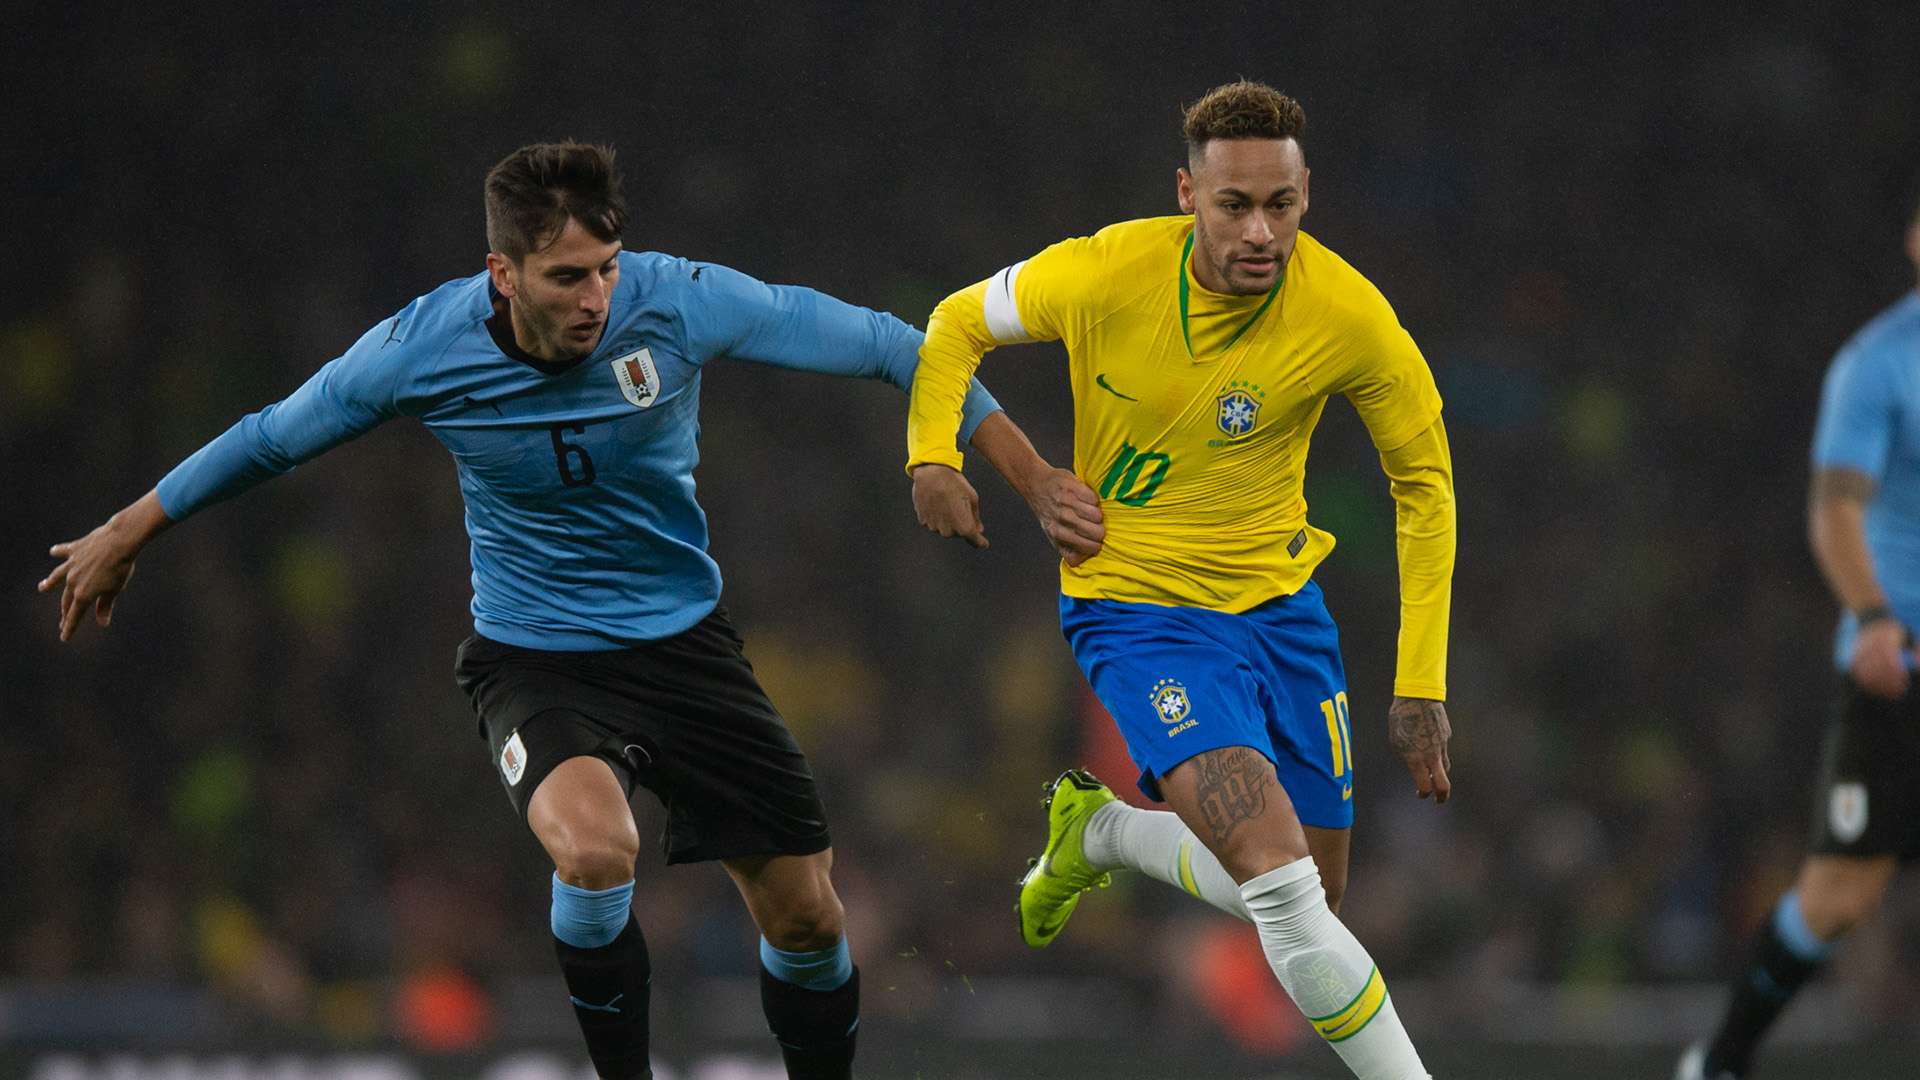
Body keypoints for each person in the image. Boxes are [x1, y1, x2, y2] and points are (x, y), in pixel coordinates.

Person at [38, 142, 1085, 1080]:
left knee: (809, 919)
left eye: (606, 269)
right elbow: (272, 435)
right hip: (535, 660)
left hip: (686, 650)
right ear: (504, 276)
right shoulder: (419, 350)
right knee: (594, 850)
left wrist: (1019, 478)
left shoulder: (677, 303)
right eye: (567, 277)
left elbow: (902, 344)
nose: (596, 297)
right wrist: (129, 529)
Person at [905, 81, 1455, 1079]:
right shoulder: (1103, 272)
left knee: (1314, 899)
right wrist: (933, 455)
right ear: (1186, 194)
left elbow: (1426, 485)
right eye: (1233, 205)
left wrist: (1420, 681)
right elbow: (950, 325)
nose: (1259, 232)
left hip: (1284, 616)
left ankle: (1107, 833)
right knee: (1285, 893)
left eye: (1280, 206)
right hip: (1140, 613)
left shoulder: (1350, 315)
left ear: (1306, 196)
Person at [1676, 196, 1920, 1080]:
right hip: (1901, 666)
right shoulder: (1879, 364)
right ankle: (1720, 1060)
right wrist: (1874, 617)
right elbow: (1835, 509)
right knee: (1841, 896)